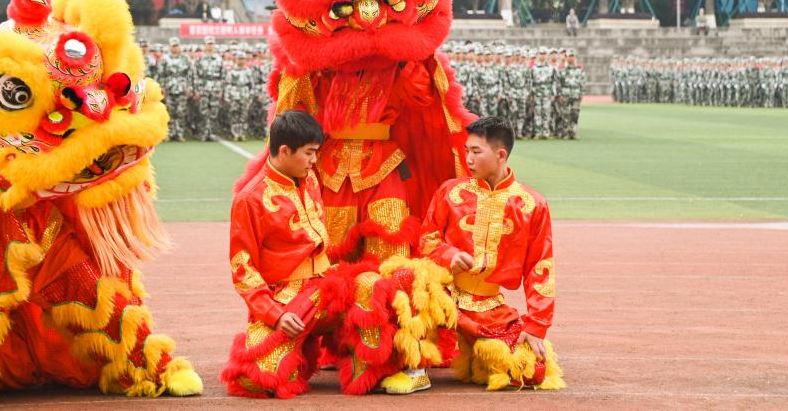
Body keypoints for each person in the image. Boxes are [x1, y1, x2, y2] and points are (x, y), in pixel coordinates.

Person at [221, 111, 453, 398]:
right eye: (309, 153)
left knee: (374, 284)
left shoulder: (309, 179)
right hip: (286, 298)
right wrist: (273, 314)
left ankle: (370, 367)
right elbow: (243, 268)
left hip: (327, 285)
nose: (314, 160)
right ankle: (298, 352)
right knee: (258, 378)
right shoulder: (250, 199)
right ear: (285, 151)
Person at [419, 116, 564, 391]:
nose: (468, 159)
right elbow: (426, 239)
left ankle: (479, 354)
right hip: (441, 295)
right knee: (402, 291)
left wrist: (536, 326)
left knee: (531, 370)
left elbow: (540, 267)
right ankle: (413, 367)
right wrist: (448, 255)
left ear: (500, 155)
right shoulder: (451, 191)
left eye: (476, 152)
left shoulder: (531, 205)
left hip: (488, 307)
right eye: (466, 151)